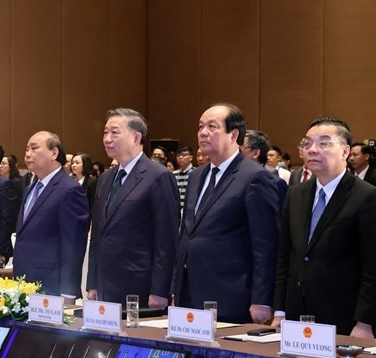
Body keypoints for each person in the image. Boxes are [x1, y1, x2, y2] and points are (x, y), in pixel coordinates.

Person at [170, 104, 283, 324]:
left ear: (234, 134)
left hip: (231, 294)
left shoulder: (255, 177)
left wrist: (262, 299)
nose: (203, 132)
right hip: (188, 294)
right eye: (201, 126)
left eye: (212, 127)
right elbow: (187, 233)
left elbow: (266, 245)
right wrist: (175, 287)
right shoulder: (196, 176)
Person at [272, 118, 376, 338]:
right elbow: (285, 257)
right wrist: (280, 310)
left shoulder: (366, 196)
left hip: (343, 317)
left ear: (345, 151)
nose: (312, 150)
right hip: (295, 314)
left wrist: (365, 321)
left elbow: (372, 266)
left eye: (323, 144)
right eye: (307, 144)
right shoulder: (295, 193)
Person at [87, 109, 179, 308]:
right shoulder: (105, 178)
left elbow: (167, 240)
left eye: (114, 132)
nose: (107, 139)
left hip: (140, 285)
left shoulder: (158, 176)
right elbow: (98, 234)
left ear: (136, 137)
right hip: (104, 284)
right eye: (105, 133)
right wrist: (92, 282)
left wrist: (160, 289)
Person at [13, 131, 90, 298]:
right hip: (24, 281)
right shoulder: (30, 189)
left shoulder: (69, 189)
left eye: (34, 148)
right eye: (26, 149)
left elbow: (73, 245)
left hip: (51, 285)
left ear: (54, 153)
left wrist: (68, 293)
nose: (27, 154)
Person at [173, 146, 195, 210]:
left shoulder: (196, 173)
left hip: (190, 209)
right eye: (178, 155)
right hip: (176, 209)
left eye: (184, 155)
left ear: (191, 157)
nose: (180, 157)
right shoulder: (173, 174)